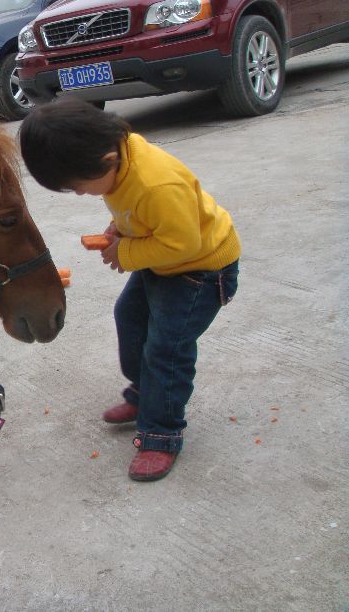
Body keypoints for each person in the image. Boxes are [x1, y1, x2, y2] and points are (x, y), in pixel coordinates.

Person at [19, 98, 240, 481]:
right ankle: (146, 394)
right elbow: (134, 212)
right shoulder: (117, 162)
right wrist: (120, 230)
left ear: (106, 160)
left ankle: (161, 433)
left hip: (200, 271)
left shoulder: (157, 184)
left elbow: (183, 243)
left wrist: (128, 252)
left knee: (167, 349)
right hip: (164, 261)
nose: (82, 194)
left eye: (78, 187)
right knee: (130, 317)